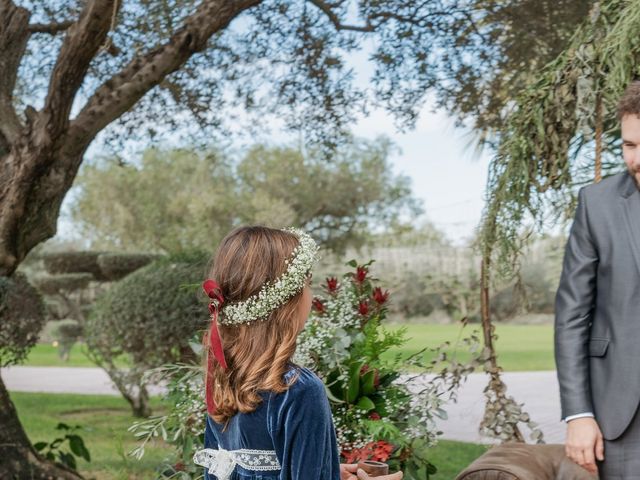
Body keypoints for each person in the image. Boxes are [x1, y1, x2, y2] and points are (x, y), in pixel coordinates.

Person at [192, 225, 403, 480]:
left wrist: (328, 471)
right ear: (286, 303)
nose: (310, 295)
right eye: (307, 283)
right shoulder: (298, 390)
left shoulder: (223, 379)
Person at [555, 80, 640, 479]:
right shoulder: (597, 204)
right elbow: (572, 315)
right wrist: (579, 414)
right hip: (622, 418)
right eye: (629, 145)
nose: (636, 159)